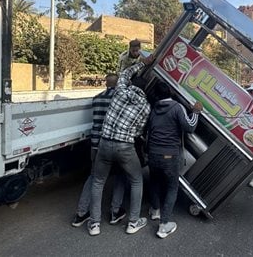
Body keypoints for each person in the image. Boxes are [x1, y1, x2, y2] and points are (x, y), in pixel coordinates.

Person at [87, 56, 153, 236]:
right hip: (125, 147)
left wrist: (142, 63)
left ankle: (94, 224)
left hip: (104, 143)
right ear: (144, 89)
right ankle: (133, 222)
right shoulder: (146, 107)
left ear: (132, 85)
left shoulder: (120, 90)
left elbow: (124, 73)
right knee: (136, 180)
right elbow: (139, 131)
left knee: (98, 181)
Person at [146, 81, 202, 238]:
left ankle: (155, 210)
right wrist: (196, 112)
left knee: (155, 182)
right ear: (170, 91)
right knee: (172, 187)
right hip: (169, 155)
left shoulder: (153, 109)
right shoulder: (177, 107)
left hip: (153, 153)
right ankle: (164, 225)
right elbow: (189, 127)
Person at [71, 74, 128, 228]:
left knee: (94, 177)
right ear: (118, 85)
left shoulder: (96, 98)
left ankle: (81, 213)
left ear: (105, 84)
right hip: (112, 143)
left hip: (95, 144)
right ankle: (115, 211)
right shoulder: (119, 100)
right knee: (120, 175)